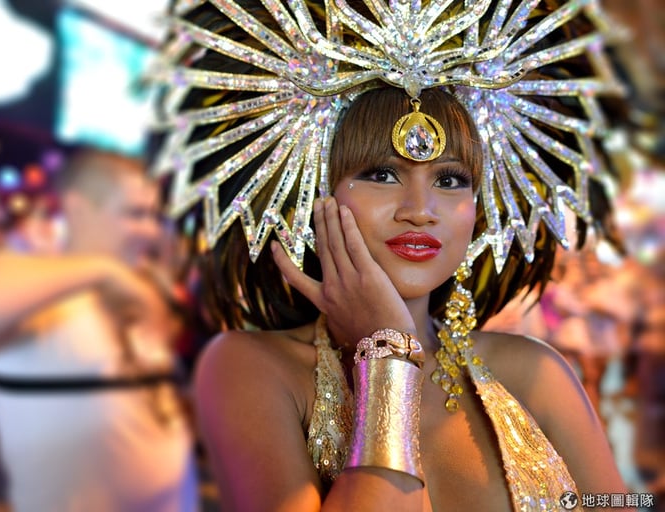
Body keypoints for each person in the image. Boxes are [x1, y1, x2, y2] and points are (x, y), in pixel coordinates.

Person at [148, 1, 631, 510]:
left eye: (450, 180)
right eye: (381, 174)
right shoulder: (250, 368)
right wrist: (388, 355)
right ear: (315, 194)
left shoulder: (536, 371)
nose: (420, 210)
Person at [0, 148, 200, 512]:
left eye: (153, 216)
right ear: (78, 209)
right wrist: (100, 270)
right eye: (135, 214)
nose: (150, 230)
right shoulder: (38, 295)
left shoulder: (139, 291)